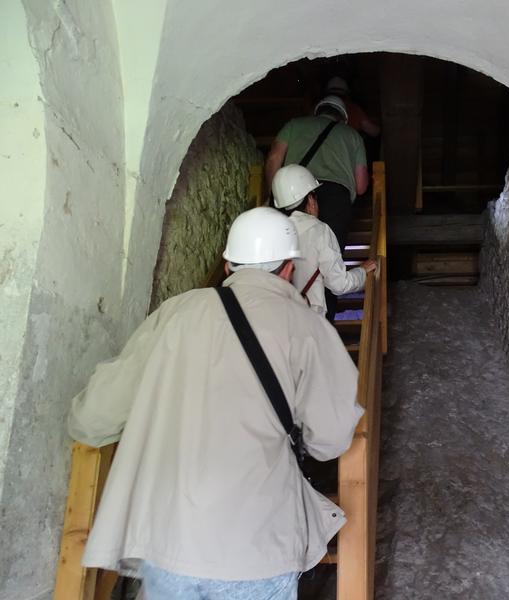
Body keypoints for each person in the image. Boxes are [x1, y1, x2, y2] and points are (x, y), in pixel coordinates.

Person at [68, 207, 364, 599]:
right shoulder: (309, 328)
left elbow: (92, 418)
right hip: (258, 544)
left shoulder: (176, 313)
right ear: (289, 269)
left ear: (227, 265)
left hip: (169, 540)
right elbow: (330, 440)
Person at [264, 95, 368, 254]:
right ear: (344, 118)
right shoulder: (353, 135)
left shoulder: (294, 125)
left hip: (295, 192)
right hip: (336, 198)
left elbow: (273, 159)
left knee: (288, 251)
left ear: (317, 112)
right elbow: (361, 187)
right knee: (330, 256)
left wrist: (274, 195)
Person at [272, 164, 377, 322]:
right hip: (310, 320)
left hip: (278, 318)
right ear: (311, 200)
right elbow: (339, 284)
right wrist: (362, 272)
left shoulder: (272, 232)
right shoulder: (319, 230)